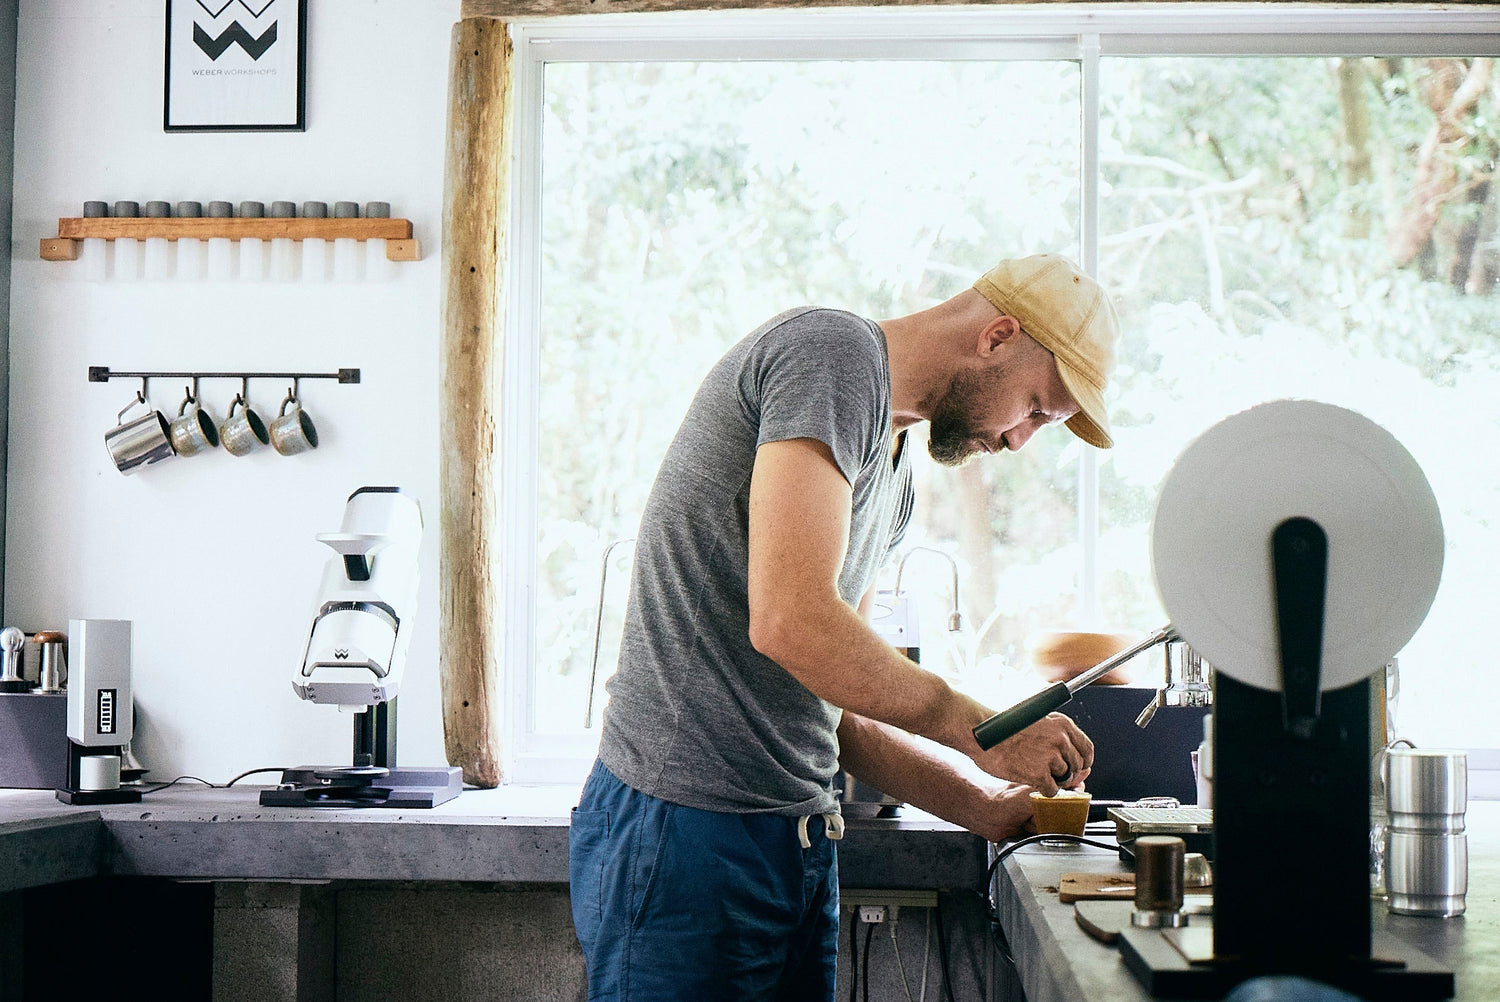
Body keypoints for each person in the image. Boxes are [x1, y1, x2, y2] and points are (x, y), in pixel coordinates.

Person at [570, 253, 1121, 1000]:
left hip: (797, 841)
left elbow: (840, 703)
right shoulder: (831, 356)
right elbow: (791, 623)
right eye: (1034, 409)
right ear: (997, 336)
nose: (1019, 440)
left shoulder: (894, 470)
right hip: (686, 835)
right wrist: (984, 732)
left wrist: (982, 807)